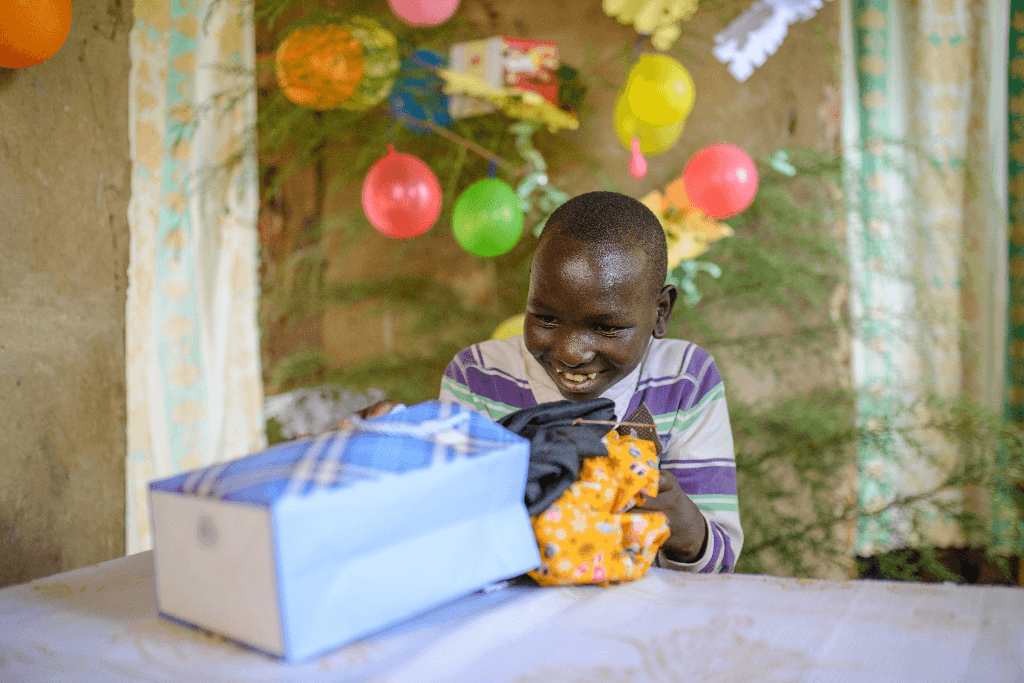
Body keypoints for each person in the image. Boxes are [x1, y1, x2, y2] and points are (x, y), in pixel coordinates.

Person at [439, 191, 741, 573]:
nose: (571, 353)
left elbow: (720, 563)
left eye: (606, 327)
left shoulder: (687, 379)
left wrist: (686, 527)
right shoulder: (476, 376)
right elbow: (451, 538)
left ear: (660, 312)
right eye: (546, 319)